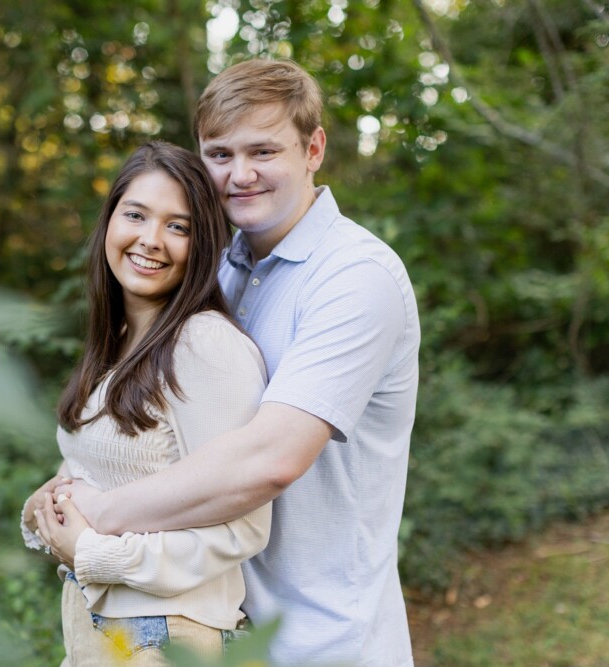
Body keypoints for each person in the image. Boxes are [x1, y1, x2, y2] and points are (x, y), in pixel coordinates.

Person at [38, 59, 421, 667]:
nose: (240, 175)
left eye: (263, 151)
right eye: (219, 154)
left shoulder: (355, 278)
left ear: (313, 147)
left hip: (322, 638)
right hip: (212, 623)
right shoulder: (214, 268)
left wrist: (98, 519)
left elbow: (271, 460)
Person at [21, 140, 272, 666]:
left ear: (203, 245)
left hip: (167, 635)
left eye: (178, 227)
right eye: (136, 214)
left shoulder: (205, 344)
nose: (151, 240)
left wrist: (96, 553)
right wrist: (50, 505)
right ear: (110, 219)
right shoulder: (116, 340)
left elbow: (245, 526)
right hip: (96, 628)